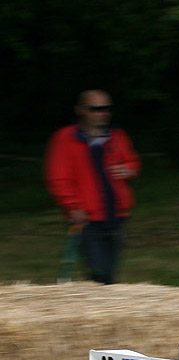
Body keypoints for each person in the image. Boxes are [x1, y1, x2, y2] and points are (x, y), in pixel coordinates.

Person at [45, 90, 140, 284]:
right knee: (98, 273)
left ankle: (104, 308)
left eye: (106, 109)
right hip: (87, 219)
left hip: (117, 215)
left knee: (110, 273)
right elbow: (58, 178)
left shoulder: (118, 136)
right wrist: (72, 206)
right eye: (95, 109)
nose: (101, 113)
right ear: (80, 110)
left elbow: (133, 162)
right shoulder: (65, 138)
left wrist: (127, 169)